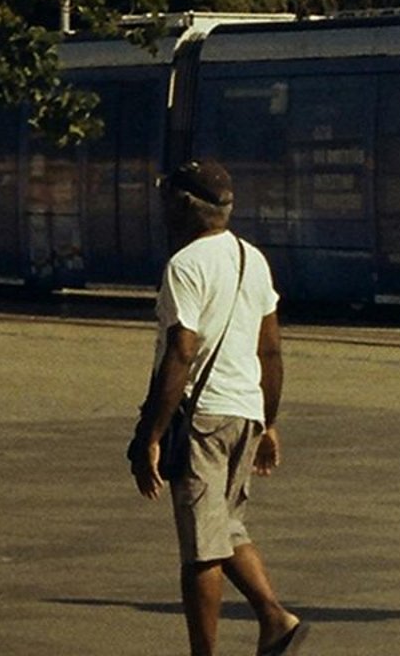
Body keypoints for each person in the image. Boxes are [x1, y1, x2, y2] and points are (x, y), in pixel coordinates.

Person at [130, 157, 308, 656]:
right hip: (245, 409)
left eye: (167, 199)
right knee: (226, 527)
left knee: (200, 550)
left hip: (203, 416)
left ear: (183, 207)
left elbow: (181, 352)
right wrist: (268, 424)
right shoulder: (253, 258)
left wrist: (153, 435)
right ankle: (275, 619)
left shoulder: (184, 265)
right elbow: (270, 350)